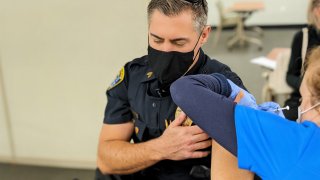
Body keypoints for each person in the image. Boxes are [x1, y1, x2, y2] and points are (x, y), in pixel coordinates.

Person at [96, 0, 248, 179]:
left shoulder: (224, 86)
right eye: (157, 40)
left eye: (178, 42)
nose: (165, 50)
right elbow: (106, 161)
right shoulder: (132, 76)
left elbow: (234, 174)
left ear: (204, 35)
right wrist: (161, 148)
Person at [170, 46, 320, 179]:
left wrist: (226, 86)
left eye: (302, 98)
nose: (300, 105)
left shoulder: (296, 142)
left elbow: (183, 89)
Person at [285, 0, 320, 120]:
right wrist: (309, 86)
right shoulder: (302, 37)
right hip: (302, 98)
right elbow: (290, 76)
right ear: (315, 10)